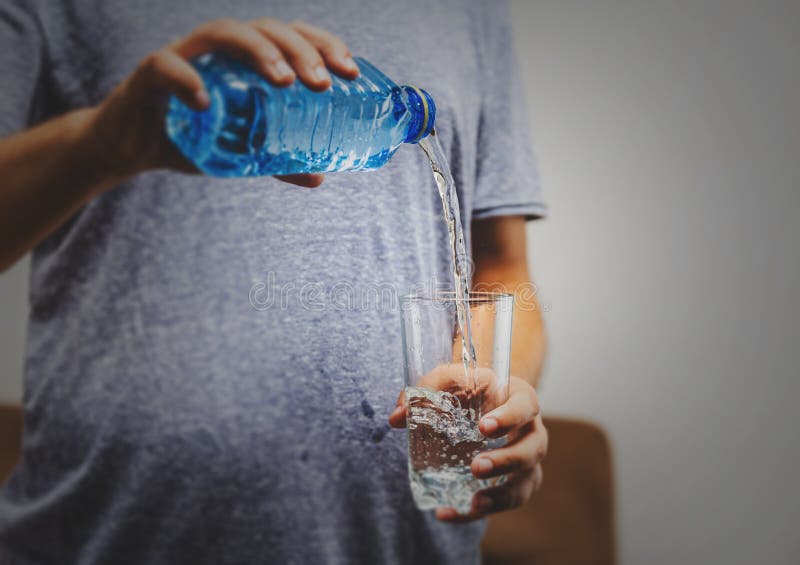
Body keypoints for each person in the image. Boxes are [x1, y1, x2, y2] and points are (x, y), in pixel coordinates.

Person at [0, 1, 548, 563]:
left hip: (405, 545)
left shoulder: (471, 9)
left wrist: (493, 410)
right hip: (102, 539)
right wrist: (99, 144)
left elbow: (503, 273)